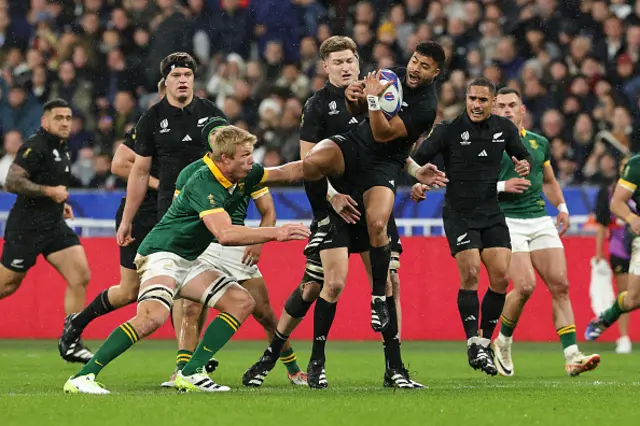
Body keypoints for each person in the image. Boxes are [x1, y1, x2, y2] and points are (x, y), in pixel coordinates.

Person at [242, 36, 433, 389]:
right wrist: (332, 196)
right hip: (336, 206)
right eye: (338, 62)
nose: (345, 67)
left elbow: (389, 148)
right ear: (325, 67)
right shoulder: (317, 105)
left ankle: (395, 368)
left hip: (372, 196)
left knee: (390, 281)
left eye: (350, 61)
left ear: (359, 63)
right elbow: (307, 161)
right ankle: (289, 358)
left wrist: (415, 169)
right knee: (324, 284)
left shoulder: (379, 91)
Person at [63, 125, 310, 394]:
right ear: (225, 159)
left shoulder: (245, 173)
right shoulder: (202, 181)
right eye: (245, 155)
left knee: (241, 302)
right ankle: (83, 377)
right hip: (163, 253)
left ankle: (191, 372)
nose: (252, 160)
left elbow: (289, 172)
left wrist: (334, 154)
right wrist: (277, 232)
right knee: (151, 318)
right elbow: (224, 234)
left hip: (189, 258)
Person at [303, 42, 445, 337]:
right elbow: (358, 112)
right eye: (415, 61)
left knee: (382, 242)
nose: (415, 69)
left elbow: (382, 133)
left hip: (384, 166)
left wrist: (371, 100)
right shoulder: (392, 75)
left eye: (424, 66)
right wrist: (356, 98)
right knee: (311, 162)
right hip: (355, 152)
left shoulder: (426, 108)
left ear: (436, 72)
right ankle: (264, 180)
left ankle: (391, 351)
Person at [159, 118, 307, 388]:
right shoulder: (190, 174)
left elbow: (269, 210)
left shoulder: (247, 169)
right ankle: (183, 370)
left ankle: (293, 367)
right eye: (213, 134)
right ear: (211, 143)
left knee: (264, 312)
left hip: (237, 242)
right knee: (191, 306)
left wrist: (258, 242)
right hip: (206, 243)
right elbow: (179, 218)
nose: (218, 137)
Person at [114, 52, 227, 374]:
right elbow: (137, 173)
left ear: (194, 80)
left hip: (208, 213)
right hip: (172, 216)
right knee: (183, 291)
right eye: (177, 75)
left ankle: (189, 360)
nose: (182, 81)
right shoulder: (151, 119)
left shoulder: (211, 114)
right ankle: (186, 363)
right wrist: (127, 220)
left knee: (198, 295)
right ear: (165, 82)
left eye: (187, 75)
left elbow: (231, 159)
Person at [410, 78, 532, 376]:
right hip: (459, 214)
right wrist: (417, 182)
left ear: (492, 103)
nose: (477, 105)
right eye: (472, 99)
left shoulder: (504, 130)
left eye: (483, 100)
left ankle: (483, 343)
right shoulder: (448, 129)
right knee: (472, 273)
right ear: (466, 99)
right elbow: (414, 161)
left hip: (491, 212)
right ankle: (472, 342)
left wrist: (525, 163)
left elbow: (522, 153)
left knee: (502, 277)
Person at [487, 88, 600, 377]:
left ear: (523, 109)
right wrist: (503, 187)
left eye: (512, 105)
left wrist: (561, 206)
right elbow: (468, 185)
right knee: (525, 286)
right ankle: (503, 340)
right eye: (501, 106)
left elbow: (548, 180)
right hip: (506, 220)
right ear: (493, 109)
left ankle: (572, 355)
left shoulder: (538, 143)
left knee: (560, 285)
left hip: (539, 219)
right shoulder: (485, 142)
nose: (507, 110)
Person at [58, 80, 166, 357]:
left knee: (182, 284)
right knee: (130, 290)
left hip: (175, 214)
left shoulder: (197, 125)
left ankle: (188, 361)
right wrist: (160, 186)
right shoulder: (149, 123)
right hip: (142, 212)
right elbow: (118, 165)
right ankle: (78, 321)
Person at [0, 99, 93, 363]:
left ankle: (71, 342)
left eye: (68, 117)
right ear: (45, 121)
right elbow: (12, 181)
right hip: (26, 227)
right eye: (58, 118)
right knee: (7, 285)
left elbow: (50, 182)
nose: (64, 122)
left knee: (80, 275)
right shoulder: (35, 146)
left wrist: (60, 204)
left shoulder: (63, 149)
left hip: (52, 225)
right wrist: (49, 192)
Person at [586, 154, 640, 343]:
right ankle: (608, 317)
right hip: (630, 240)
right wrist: (632, 218)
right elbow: (616, 203)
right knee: (633, 299)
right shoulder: (636, 164)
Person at [594, 157, 633, 354]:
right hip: (620, 247)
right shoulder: (608, 192)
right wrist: (599, 252)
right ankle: (624, 337)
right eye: (622, 165)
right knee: (626, 294)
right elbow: (601, 224)